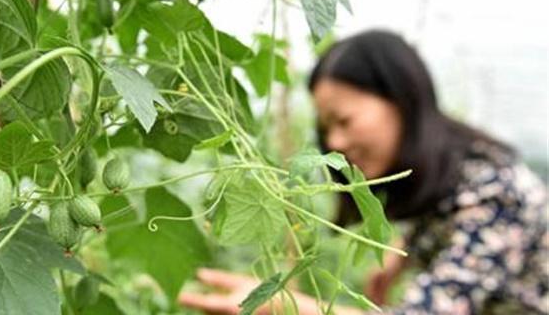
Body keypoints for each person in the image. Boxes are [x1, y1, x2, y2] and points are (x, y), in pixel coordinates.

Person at [179, 30, 549, 315]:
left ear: (401, 101)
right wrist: (402, 251)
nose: (335, 141)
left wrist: (287, 306)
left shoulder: (497, 193)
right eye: (325, 129)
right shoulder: (458, 174)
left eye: (344, 120)